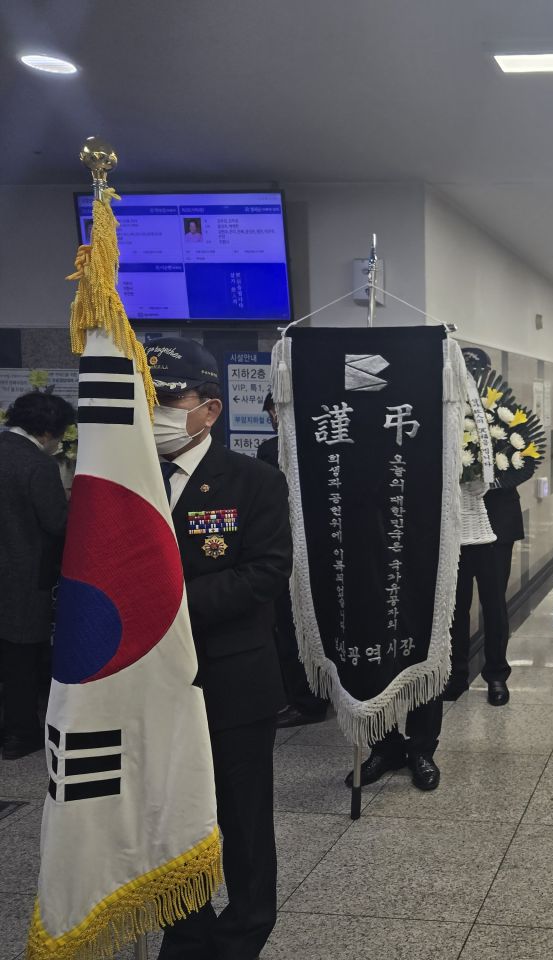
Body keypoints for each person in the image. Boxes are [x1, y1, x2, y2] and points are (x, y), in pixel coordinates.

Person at [146, 338, 292, 960]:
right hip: (151, 682)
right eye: (148, 398)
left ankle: (244, 932)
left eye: (168, 399)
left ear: (209, 410)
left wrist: (167, 606)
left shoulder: (254, 481)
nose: (155, 412)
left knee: (242, 815)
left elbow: (266, 572)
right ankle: (186, 930)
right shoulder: (129, 481)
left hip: (230, 679)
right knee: (171, 813)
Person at [445, 348, 525, 707]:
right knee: (457, 604)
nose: (472, 376)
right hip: (457, 524)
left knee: (494, 604)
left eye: (478, 371)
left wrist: (491, 479)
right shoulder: (446, 412)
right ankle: (456, 675)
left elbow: (523, 462)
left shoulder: (505, 416)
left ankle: (496, 675)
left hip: (497, 524)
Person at [0, 391, 73, 760]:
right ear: (47, 431)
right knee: (21, 662)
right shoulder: (37, 465)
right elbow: (58, 523)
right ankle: (19, 735)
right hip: (24, 577)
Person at [256, 392, 327, 728]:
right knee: (300, 627)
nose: (274, 417)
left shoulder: (277, 450)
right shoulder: (316, 445)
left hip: (295, 550)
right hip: (309, 550)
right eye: (270, 411)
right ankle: (310, 696)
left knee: (294, 627)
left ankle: (306, 701)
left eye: (277, 410)